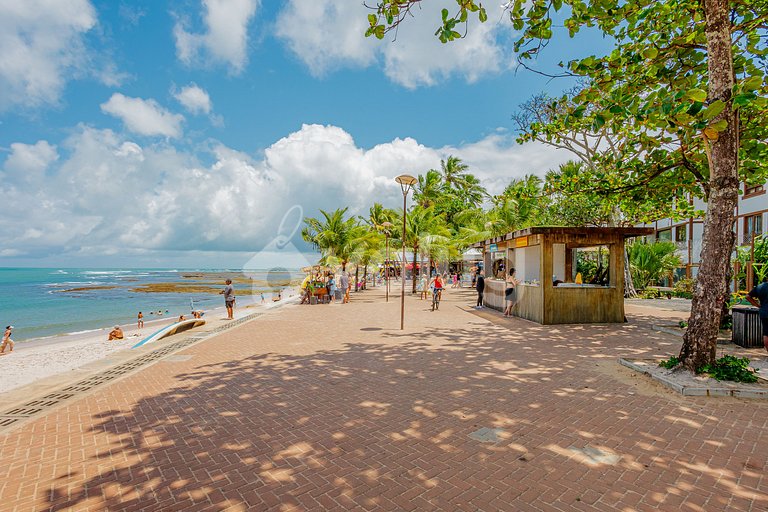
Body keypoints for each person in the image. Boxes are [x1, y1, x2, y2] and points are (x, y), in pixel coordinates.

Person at [747, 277, 768, 353]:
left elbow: (748, 296)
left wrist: (757, 305)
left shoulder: (760, 287)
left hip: (764, 312)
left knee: (766, 333)